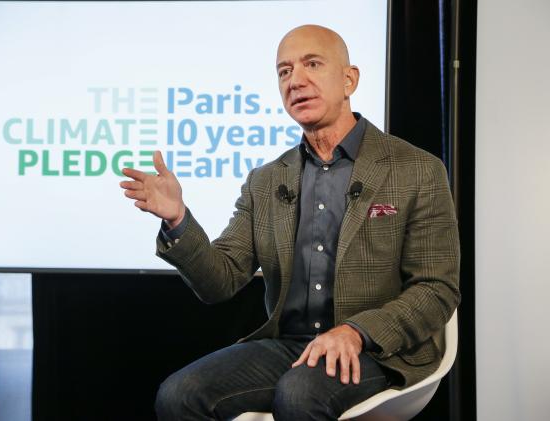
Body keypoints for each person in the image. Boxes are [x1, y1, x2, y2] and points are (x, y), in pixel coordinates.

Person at [120, 24, 460, 421]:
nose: (296, 80)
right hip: (289, 345)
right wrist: (179, 218)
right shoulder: (266, 181)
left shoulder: (416, 169)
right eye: (284, 71)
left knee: (298, 395)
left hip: (376, 349)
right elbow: (220, 280)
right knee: (179, 395)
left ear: (349, 80)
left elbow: (437, 288)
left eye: (312, 64)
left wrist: (356, 332)